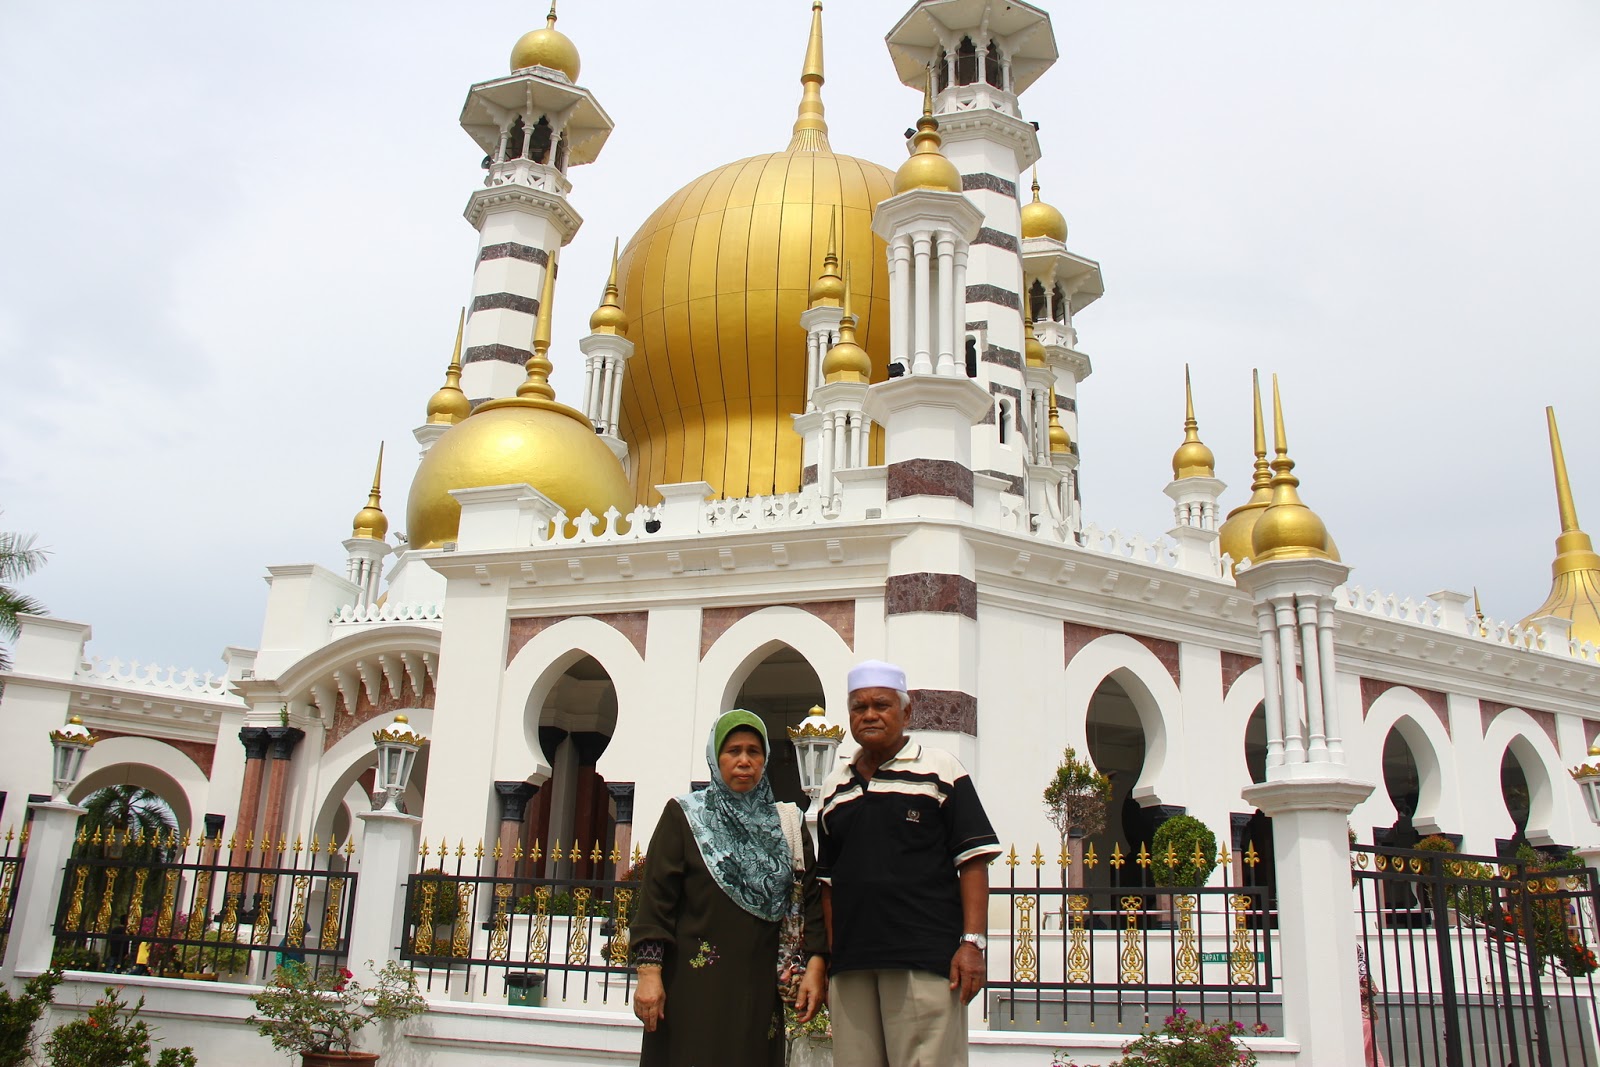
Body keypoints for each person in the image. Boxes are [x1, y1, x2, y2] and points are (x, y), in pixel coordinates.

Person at [817, 660, 1002, 1067]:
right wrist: (831, 958)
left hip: (925, 960)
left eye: (881, 705)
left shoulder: (940, 770)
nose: (869, 715)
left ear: (906, 712)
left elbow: (973, 862)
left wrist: (972, 944)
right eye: (858, 707)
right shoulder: (835, 787)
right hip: (854, 966)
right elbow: (828, 883)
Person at [629, 709, 827, 1066]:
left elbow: (810, 901)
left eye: (754, 751)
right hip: (690, 988)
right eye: (733, 751)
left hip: (759, 990)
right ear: (715, 756)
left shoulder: (787, 824)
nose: (744, 761)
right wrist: (648, 975)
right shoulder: (685, 816)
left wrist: (815, 964)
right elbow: (656, 901)